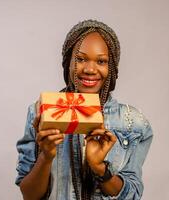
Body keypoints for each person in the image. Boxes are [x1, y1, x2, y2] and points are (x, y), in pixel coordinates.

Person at [15, 19, 153, 200]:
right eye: (80, 59)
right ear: (68, 63)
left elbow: (133, 194)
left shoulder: (133, 122)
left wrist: (99, 168)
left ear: (111, 68)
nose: (90, 69)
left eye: (101, 61)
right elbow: (29, 195)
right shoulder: (41, 112)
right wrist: (46, 157)